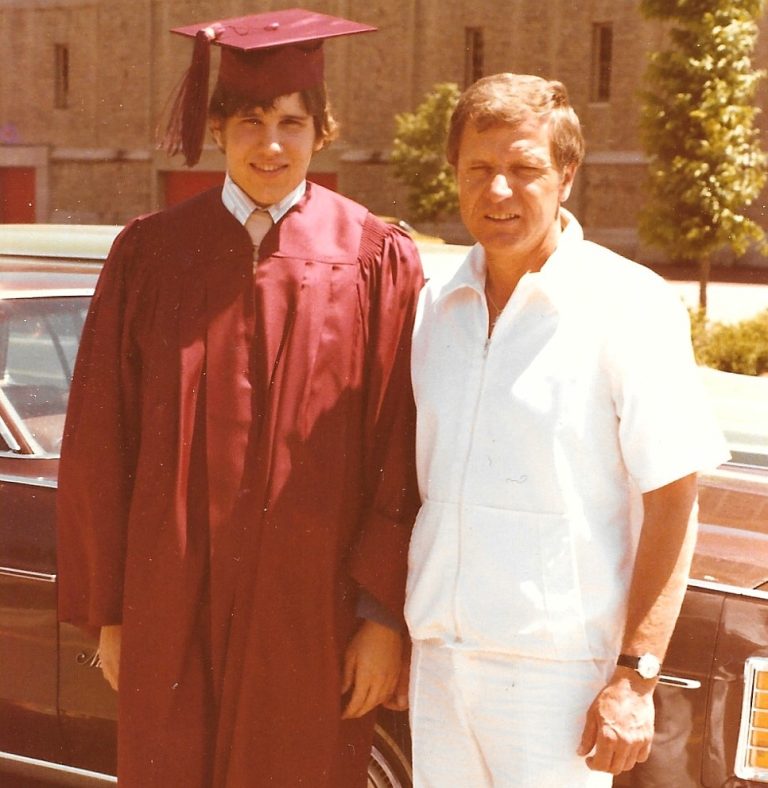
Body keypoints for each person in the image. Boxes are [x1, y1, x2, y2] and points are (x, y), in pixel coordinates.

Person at [56, 10, 422, 788]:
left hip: (311, 610)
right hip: (170, 602)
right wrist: (113, 612)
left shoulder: (373, 257)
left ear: (322, 133)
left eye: (293, 123)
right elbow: (99, 441)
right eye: (251, 120)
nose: (271, 145)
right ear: (217, 127)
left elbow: (402, 446)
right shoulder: (151, 253)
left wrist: (382, 618)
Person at [405, 73, 729, 787]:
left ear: (567, 176)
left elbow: (674, 499)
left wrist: (635, 677)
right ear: (453, 175)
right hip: (439, 666)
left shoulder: (628, 303)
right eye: (479, 170)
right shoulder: (433, 308)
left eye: (525, 170)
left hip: (559, 685)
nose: (498, 192)